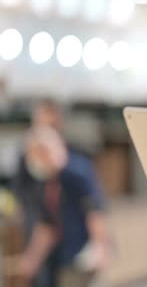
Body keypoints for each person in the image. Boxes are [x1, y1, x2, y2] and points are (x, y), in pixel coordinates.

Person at [15, 126, 109, 287]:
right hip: (59, 255)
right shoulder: (45, 181)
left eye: (35, 154)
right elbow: (46, 225)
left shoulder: (77, 172)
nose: (33, 161)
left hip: (81, 254)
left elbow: (94, 212)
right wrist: (32, 258)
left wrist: (100, 245)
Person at [11, 99, 66, 287]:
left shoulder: (68, 169)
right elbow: (19, 189)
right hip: (35, 223)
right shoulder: (26, 157)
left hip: (58, 236)